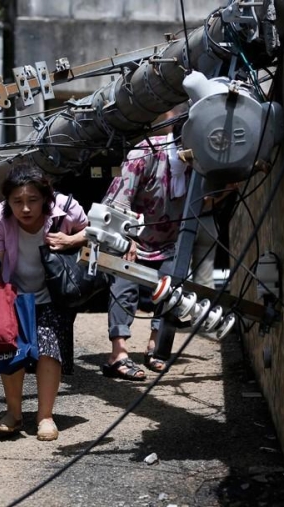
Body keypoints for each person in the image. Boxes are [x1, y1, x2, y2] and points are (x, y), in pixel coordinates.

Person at [0, 163, 87, 441]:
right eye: (17, 201)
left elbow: (96, 231)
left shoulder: (66, 208)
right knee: (10, 350)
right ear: (7, 201)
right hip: (14, 294)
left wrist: (70, 239)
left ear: (46, 198)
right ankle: (13, 413)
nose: (25, 208)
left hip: (54, 292)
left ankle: (45, 417)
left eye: (33, 200)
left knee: (49, 349)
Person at [102, 104, 192, 381]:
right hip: (131, 235)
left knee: (172, 286)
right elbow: (119, 200)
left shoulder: (199, 164)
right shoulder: (146, 153)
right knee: (124, 285)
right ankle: (118, 353)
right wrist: (126, 238)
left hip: (169, 240)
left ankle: (156, 347)